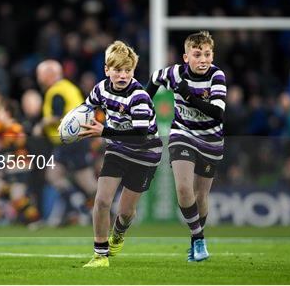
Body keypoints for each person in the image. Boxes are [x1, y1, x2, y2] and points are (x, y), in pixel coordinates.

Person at [78, 41, 163, 268]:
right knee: (103, 200)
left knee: (125, 212)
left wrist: (103, 131)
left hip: (146, 153)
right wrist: (71, 123)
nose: (123, 75)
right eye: (117, 70)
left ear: (133, 71)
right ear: (107, 70)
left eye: (127, 70)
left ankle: (119, 232)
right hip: (117, 149)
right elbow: (85, 109)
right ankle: (100, 255)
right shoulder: (100, 89)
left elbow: (141, 135)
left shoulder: (139, 97)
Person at [146, 31, 227, 262]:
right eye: (197, 54)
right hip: (182, 133)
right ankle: (198, 238)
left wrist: (188, 96)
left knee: (201, 195)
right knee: (183, 189)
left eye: (208, 54)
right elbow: (153, 79)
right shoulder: (173, 73)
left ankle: (195, 240)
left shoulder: (216, 76)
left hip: (211, 140)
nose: (203, 59)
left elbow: (217, 113)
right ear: (186, 57)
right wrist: (143, 105)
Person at [36, 60, 97, 226]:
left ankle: (100, 208)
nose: (38, 78)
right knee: (58, 175)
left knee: (83, 180)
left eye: (40, 74)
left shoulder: (56, 91)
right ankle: (78, 206)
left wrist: (41, 125)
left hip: (70, 141)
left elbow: (57, 116)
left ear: (49, 74)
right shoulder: (69, 87)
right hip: (76, 139)